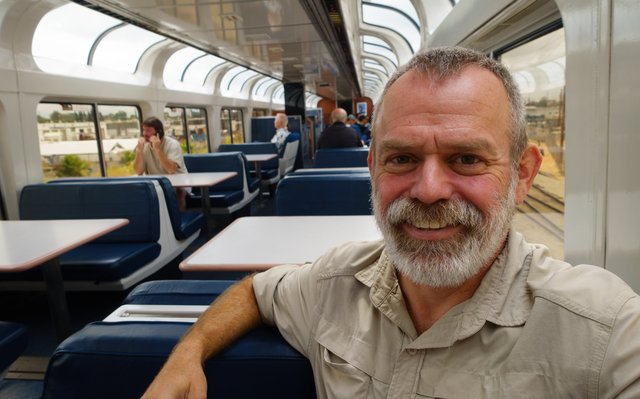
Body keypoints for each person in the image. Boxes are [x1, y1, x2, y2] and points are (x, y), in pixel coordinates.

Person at [142, 47, 640, 398]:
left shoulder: (605, 331)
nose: (428, 190)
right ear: (373, 167)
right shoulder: (334, 283)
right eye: (401, 159)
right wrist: (189, 351)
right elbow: (255, 293)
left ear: (524, 173)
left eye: (466, 159)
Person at [133, 116, 189, 210]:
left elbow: (171, 169)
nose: (145, 134)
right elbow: (139, 171)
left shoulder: (172, 144)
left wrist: (158, 150)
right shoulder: (144, 147)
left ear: (158, 132)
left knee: (177, 191)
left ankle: (179, 221)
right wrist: (139, 151)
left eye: (149, 131)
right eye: (144, 130)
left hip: (179, 184)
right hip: (156, 183)